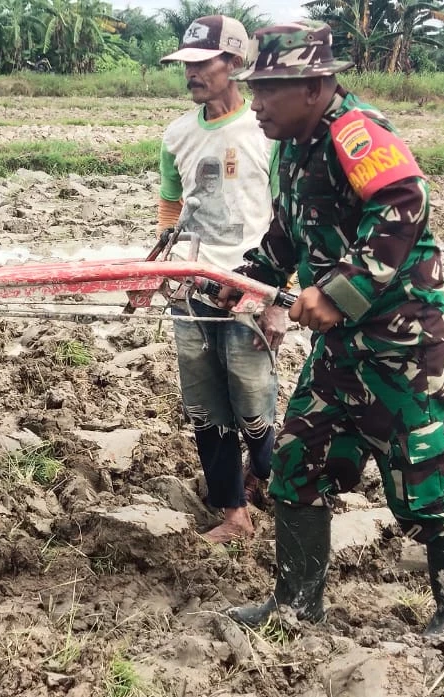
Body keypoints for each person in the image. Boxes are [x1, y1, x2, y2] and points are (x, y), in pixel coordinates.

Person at [218, 20, 444, 638]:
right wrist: (248, 277)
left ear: (315, 86)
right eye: (254, 89)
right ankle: (295, 607)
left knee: (425, 475)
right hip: (341, 351)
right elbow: (289, 233)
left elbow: (404, 204)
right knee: (295, 463)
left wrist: (339, 293)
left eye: (267, 91)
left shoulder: (355, 132)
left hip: (402, 347)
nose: (255, 104)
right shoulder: (292, 144)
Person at [157, 15, 286, 544]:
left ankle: (265, 474)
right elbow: (171, 206)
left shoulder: (266, 130)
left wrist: (276, 296)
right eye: (185, 65)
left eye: (201, 63)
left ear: (233, 63)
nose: (191, 74)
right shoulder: (177, 134)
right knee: (205, 405)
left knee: (253, 401)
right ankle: (233, 512)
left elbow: (286, 216)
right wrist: (158, 268)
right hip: (191, 285)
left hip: (249, 289)